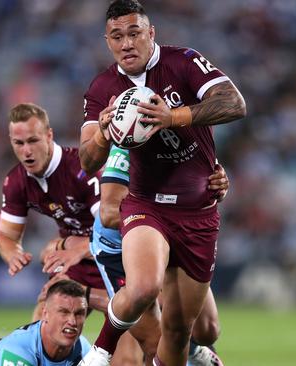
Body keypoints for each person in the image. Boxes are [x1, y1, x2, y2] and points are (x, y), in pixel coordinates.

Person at [78, 1, 246, 365]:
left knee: (182, 330)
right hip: (146, 206)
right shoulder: (103, 87)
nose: (127, 43)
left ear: (151, 33)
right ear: (107, 41)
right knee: (143, 287)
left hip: (198, 212)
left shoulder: (183, 62)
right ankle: (98, 354)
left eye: (134, 33)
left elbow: (234, 103)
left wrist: (173, 117)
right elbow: (87, 159)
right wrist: (105, 136)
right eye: (117, 36)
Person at [0, 102, 140, 360]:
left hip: (118, 260)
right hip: (78, 264)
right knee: (44, 321)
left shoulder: (82, 169)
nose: (27, 151)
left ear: (49, 136)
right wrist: (13, 254)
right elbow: (6, 235)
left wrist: (71, 247)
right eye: (19, 143)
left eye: (33, 140)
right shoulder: (17, 181)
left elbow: (115, 228)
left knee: (127, 358)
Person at [92, 145, 226, 366]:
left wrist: (218, 186)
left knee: (207, 331)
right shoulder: (131, 138)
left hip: (174, 237)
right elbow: (108, 214)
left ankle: (193, 347)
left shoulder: (189, 139)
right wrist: (158, 212)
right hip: (118, 247)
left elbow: (209, 183)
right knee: (157, 341)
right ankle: (99, 352)